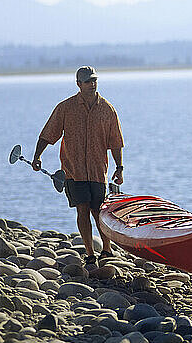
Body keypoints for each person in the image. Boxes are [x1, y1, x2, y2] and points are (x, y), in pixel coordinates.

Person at [32, 66, 124, 267]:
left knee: (98, 211)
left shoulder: (107, 109)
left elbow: (116, 142)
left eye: (94, 80)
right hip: (73, 170)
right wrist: (37, 156)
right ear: (78, 84)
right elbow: (48, 134)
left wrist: (120, 168)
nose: (92, 84)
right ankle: (90, 253)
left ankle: (106, 250)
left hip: (98, 170)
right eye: (87, 81)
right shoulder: (66, 108)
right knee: (82, 209)